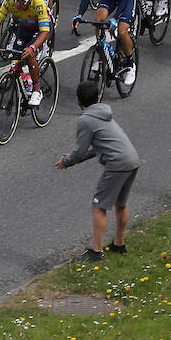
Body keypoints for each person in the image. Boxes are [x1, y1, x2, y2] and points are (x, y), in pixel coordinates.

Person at [55, 80, 141, 262]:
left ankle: (96, 252)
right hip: (131, 159)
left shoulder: (86, 120)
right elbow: (99, 146)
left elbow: (80, 149)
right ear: (99, 97)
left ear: (78, 101)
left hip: (117, 164)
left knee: (99, 205)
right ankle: (119, 244)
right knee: (120, 203)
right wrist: (77, 158)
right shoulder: (104, 113)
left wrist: (68, 161)